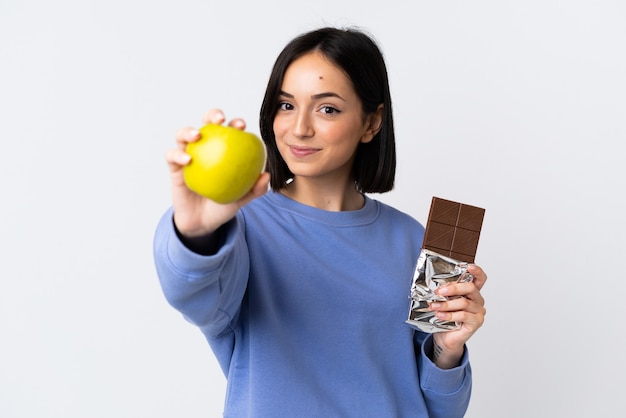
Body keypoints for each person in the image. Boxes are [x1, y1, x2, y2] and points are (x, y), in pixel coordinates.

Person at [153, 26, 487, 418]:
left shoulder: (412, 238)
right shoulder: (239, 228)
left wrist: (447, 351)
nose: (299, 128)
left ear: (371, 123)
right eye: (286, 104)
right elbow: (191, 295)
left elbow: (437, 410)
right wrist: (194, 232)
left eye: (327, 108)